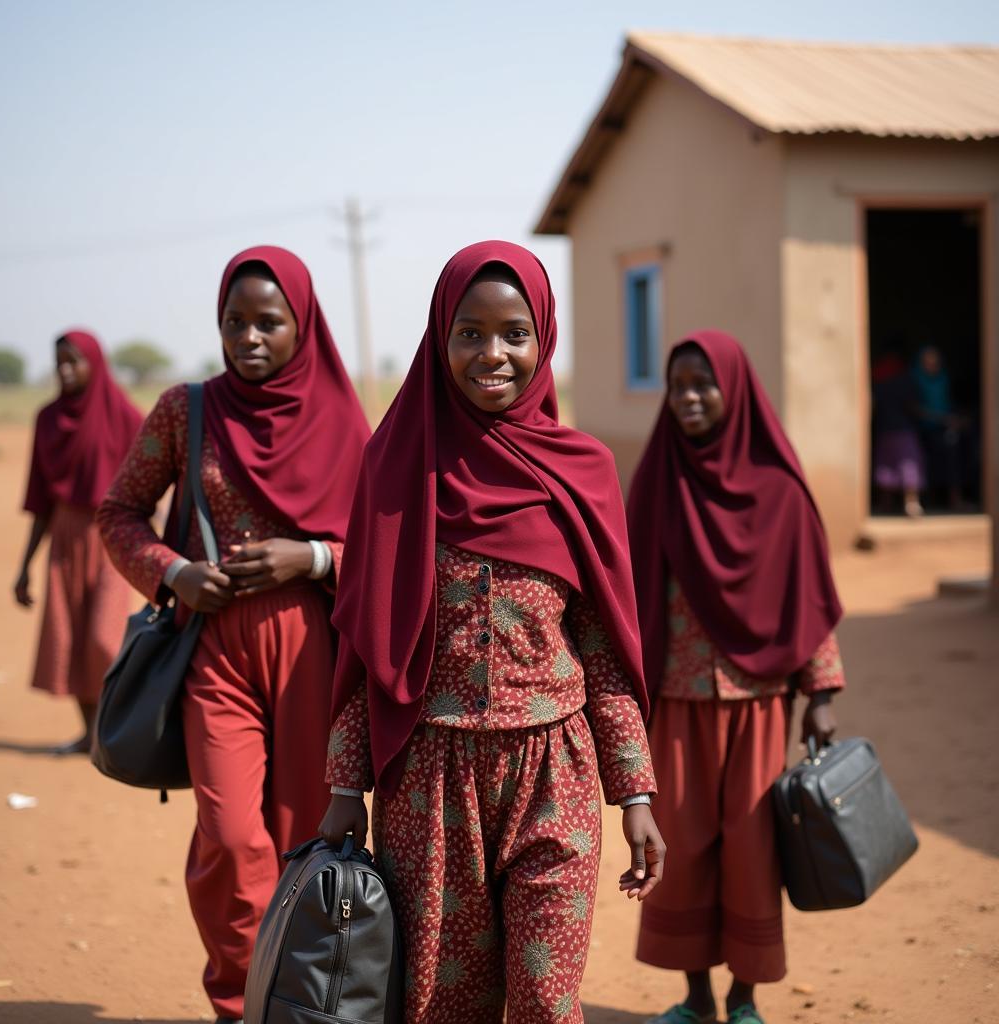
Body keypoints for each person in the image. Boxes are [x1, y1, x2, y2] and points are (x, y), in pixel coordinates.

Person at [319, 240, 665, 1024]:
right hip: (429, 782)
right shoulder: (396, 466)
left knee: (547, 1001)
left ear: (544, 339)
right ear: (439, 338)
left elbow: (604, 648)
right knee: (444, 1005)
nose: (492, 354)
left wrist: (635, 790)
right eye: (468, 332)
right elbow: (366, 644)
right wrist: (346, 786)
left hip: (558, 774)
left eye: (514, 333)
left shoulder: (583, 471)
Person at [97, 246, 369, 1024]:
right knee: (230, 836)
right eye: (234, 321)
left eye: (268, 322)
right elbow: (118, 511)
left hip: (319, 649)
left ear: (302, 325)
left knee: (308, 839)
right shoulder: (187, 411)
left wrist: (312, 555)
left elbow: (387, 555)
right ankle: (237, 1002)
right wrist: (173, 572)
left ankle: (303, 1005)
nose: (249, 337)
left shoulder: (344, 420)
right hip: (212, 651)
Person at [626, 332, 847, 1024]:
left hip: (758, 702)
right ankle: (694, 998)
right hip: (677, 699)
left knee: (753, 851)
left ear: (735, 390)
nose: (689, 398)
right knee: (681, 847)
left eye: (703, 384)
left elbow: (807, 596)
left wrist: (822, 692)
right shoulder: (658, 479)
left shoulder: (780, 493)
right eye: (678, 385)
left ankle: (745, 998)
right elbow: (624, 588)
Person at [14, 330, 142, 754]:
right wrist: (25, 566)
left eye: (74, 361)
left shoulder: (122, 414)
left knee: (105, 640)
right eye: (59, 363)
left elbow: (151, 478)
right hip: (65, 539)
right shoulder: (48, 418)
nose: (66, 370)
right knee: (66, 638)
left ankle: (112, 732)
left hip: (112, 534)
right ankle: (90, 735)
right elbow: (40, 499)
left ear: (95, 363)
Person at [911, 345, 968, 510]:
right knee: (927, 465)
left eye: (935, 362)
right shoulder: (916, 379)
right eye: (928, 362)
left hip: (946, 427)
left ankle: (955, 499)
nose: (932, 365)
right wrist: (943, 418)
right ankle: (929, 501)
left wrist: (956, 419)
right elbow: (915, 408)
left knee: (953, 460)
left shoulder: (943, 378)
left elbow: (947, 402)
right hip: (925, 430)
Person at [870, 350, 926, 517]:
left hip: (885, 430)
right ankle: (911, 504)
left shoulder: (879, 383)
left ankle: (885, 504)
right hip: (903, 430)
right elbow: (913, 406)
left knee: (886, 466)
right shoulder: (904, 382)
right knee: (909, 465)